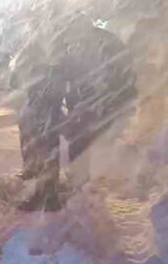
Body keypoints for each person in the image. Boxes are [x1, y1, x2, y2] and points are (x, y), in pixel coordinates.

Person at [12, 11, 135, 211]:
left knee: (73, 145)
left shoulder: (92, 43)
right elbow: (60, 71)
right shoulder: (67, 42)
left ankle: (70, 195)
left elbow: (102, 72)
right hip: (68, 100)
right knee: (56, 145)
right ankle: (53, 193)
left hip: (84, 100)